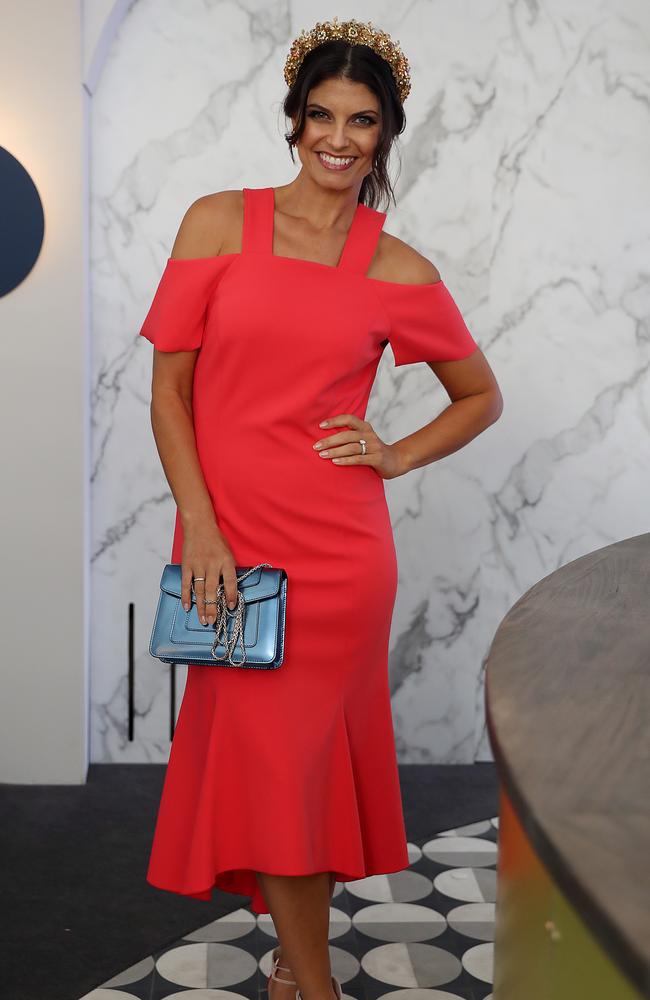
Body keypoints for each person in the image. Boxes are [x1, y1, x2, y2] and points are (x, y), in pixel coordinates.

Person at [138, 16, 502, 1000]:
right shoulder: (216, 221)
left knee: (295, 764)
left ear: (386, 133)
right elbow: (169, 392)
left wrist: (389, 454)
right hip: (229, 542)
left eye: (362, 121)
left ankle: (310, 982)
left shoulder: (399, 269)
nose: (338, 139)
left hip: (338, 560)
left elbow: (479, 396)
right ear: (293, 122)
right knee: (275, 767)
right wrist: (203, 527)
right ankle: (301, 968)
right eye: (320, 117)